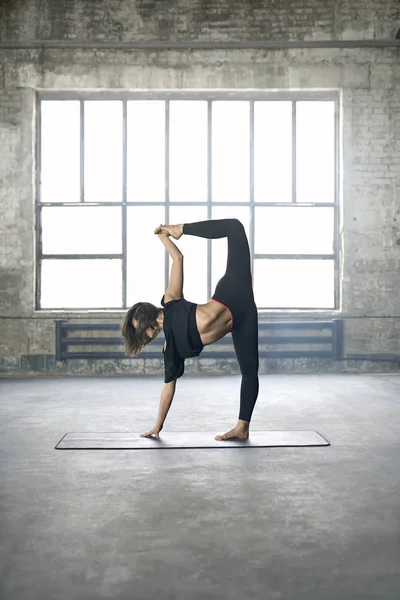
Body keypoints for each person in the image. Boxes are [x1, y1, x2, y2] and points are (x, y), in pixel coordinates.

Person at [121, 219, 259, 441]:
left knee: (234, 226)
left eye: (140, 329)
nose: (144, 337)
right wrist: (158, 425)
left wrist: (165, 235)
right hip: (241, 319)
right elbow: (168, 388)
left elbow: (178, 258)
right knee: (250, 370)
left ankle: (182, 228)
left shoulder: (171, 301)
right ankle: (242, 427)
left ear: (145, 318)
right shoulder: (171, 349)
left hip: (232, 291)